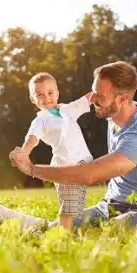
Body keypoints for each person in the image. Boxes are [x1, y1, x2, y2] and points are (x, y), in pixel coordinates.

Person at [10, 61, 137, 229]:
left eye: (99, 96)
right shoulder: (114, 114)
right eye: (94, 93)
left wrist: (32, 170)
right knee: (56, 230)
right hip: (108, 207)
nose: (93, 100)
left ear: (122, 98)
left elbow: (88, 175)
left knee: (110, 233)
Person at [21, 71, 94, 230]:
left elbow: (86, 99)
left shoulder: (67, 109)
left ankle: (67, 231)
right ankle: (63, 236)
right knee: (68, 206)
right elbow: (32, 139)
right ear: (33, 99)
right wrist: (23, 153)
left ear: (57, 93)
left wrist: (101, 92)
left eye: (50, 93)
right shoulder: (40, 120)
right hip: (65, 165)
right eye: (40, 94)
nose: (46, 98)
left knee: (76, 204)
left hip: (83, 162)